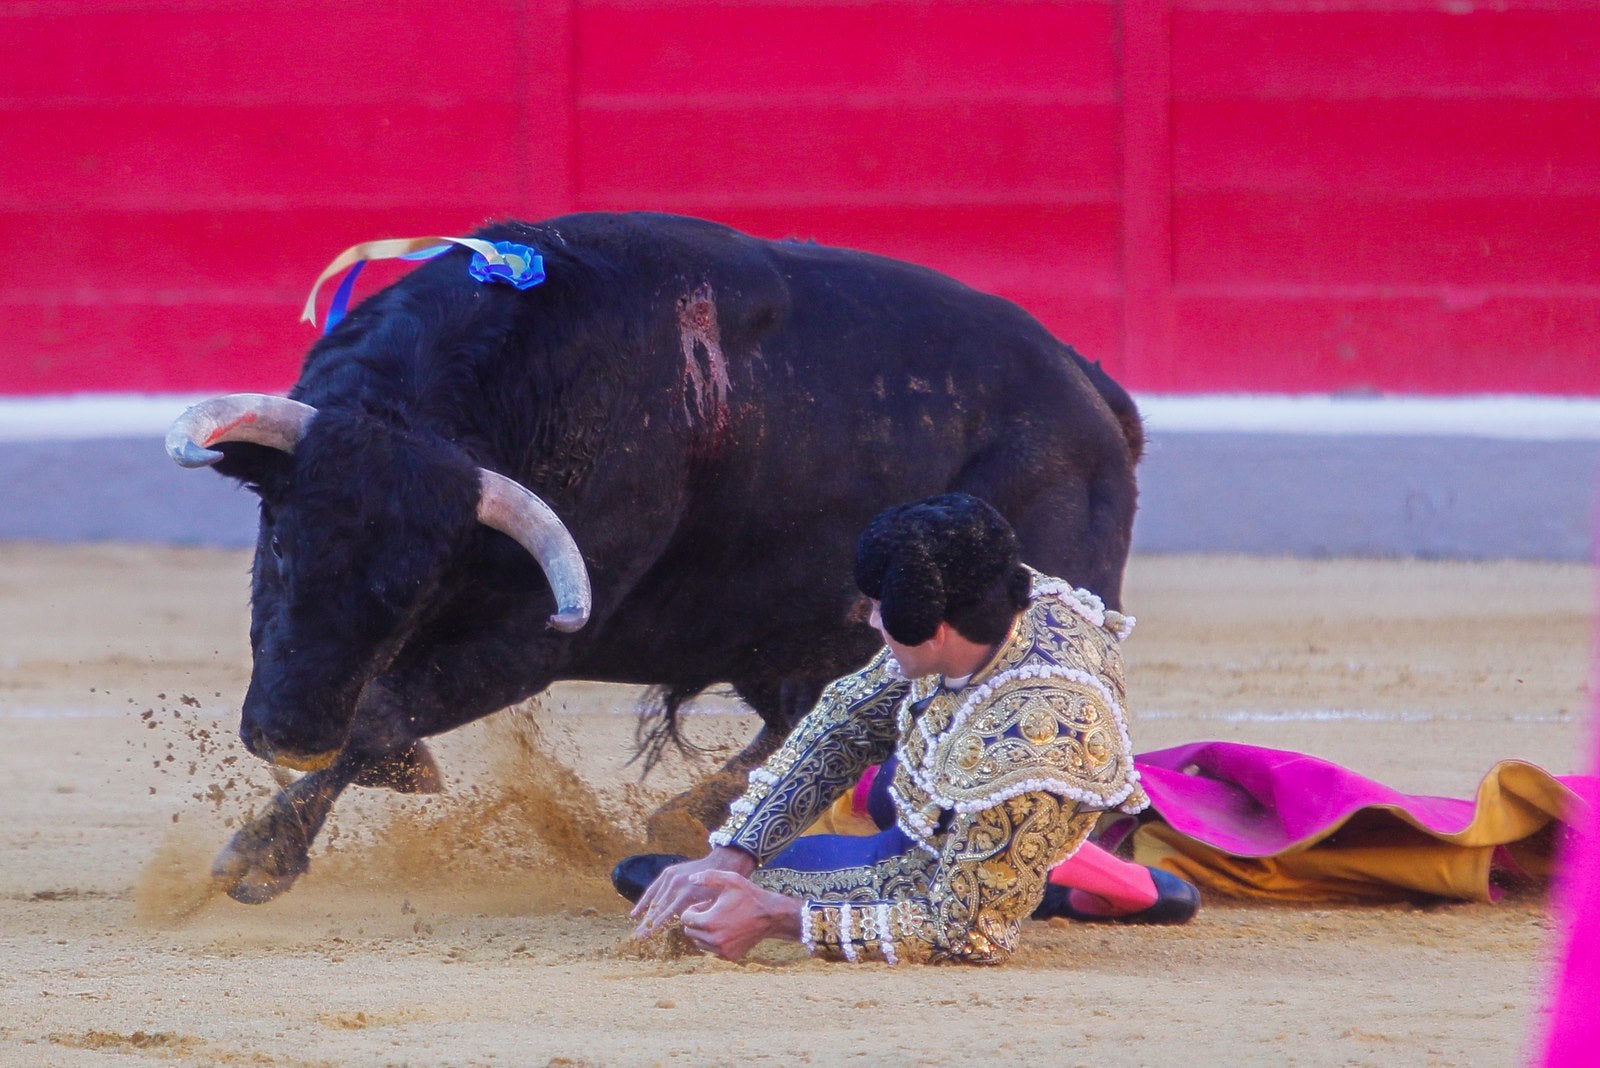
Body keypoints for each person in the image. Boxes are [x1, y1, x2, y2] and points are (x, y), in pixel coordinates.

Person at [622, 493, 1199, 964]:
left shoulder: (1024, 747)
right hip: (965, 783)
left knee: (681, 892)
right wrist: (737, 853)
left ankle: (1041, 875)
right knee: (862, 797)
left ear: (935, 628)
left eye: (880, 608)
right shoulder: (994, 597)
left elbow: (964, 933)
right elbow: (846, 726)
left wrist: (773, 914)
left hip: (983, 813)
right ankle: (1093, 879)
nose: (871, 620)